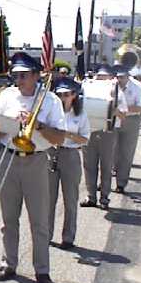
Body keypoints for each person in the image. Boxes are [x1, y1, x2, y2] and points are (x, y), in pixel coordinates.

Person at [0, 52, 65, 283]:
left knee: (39, 220)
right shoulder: (7, 96)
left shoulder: (50, 100)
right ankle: (8, 263)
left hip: (37, 160)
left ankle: (42, 270)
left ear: (35, 76)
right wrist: (8, 125)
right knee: (9, 218)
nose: (18, 80)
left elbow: (59, 137)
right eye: (16, 75)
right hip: (9, 157)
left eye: (22, 76)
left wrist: (38, 124)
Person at [48, 77, 89, 250]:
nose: (63, 98)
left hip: (70, 154)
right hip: (51, 153)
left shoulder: (80, 114)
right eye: (60, 94)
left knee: (70, 199)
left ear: (74, 95)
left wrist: (68, 135)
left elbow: (85, 139)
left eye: (66, 94)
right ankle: (46, 234)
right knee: (48, 199)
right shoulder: (51, 111)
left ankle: (68, 237)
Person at [80, 65, 126, 210]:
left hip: (108, 131)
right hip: (90, 130)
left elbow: (123, 115)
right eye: (100, 76)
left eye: (104, 76)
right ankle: (91, 196)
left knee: (106, 166)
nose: (101, 79)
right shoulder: (88, 87)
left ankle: (104, 197)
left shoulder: (116, 90)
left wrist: (113, 110)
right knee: (89, 165)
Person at [113, 64, 141, 193]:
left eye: (122, 77)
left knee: (126, 153)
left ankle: (121, 183)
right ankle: (105, 182)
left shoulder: (137, 86)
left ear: (128, 76)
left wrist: (123, 110)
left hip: (131, 120)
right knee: (110, 151)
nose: (119, 80)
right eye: (118, 77)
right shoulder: (112, 84)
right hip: (113, 119)